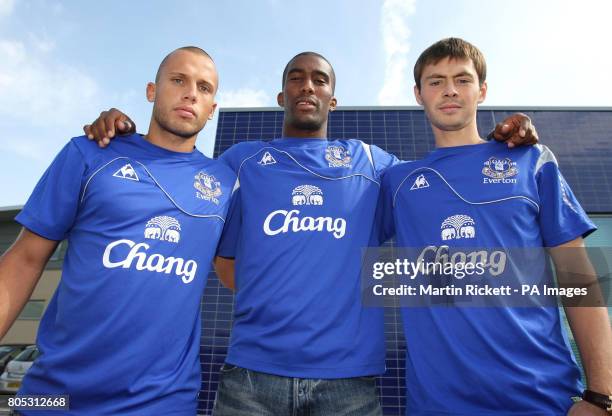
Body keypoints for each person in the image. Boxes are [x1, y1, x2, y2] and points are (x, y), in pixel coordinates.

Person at [83, 52, 538, 415]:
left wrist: (500, 144)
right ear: (282, 96)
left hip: (349, 385)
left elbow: (442, 183)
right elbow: (184, 184)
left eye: (319, 80)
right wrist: (124, 133)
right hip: (250, 379)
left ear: (332, 100)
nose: (308, 86)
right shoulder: (241, 162)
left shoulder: (372, 165)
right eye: (297, 78)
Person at [379, 38, 612, 415]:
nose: (450, 90)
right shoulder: (398, 182)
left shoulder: (530, 160)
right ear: (418, 94)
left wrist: (602, 395)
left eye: (462, 79)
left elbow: (580, 280)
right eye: (436, 81)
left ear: (482, 90)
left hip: (542, 399)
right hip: (438, 406)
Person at [0, 46, 237, 415]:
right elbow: (25, 259)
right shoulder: (89, 153)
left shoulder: (224, 184)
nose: (191, 92)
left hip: (161, 404)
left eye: (204, 88)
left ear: (212, 108)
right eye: (178, 80)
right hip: (51, 399)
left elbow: (243, 270)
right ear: (151, 91)